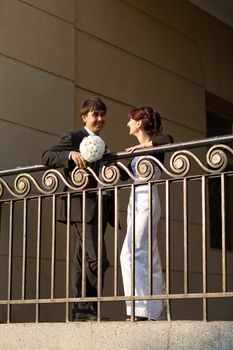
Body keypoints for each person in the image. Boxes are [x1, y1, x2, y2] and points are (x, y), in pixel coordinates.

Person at [41, 97, 114, 321]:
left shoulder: (103, 144)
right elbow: (46, 156)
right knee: (98, 259)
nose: (100, 119)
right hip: (81, 206)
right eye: (95, 114)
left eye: (102, 114)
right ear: (85, 117)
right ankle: (86, 308)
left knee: (82, 259)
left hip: (100, 207)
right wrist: (70, 155)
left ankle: (80, 310)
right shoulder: (73, 138)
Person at [120, 106, 173, 321]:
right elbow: (121, 176)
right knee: (147, 254)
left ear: (140, 122)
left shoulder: (155, 144)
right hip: (135, 201)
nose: (128, 124)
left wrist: (142, 147)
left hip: (148, 200)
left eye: (130, 120)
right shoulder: (134, 153)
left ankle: (139, 310)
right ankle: (152, 309)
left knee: (129, 253)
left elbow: (169, 139)